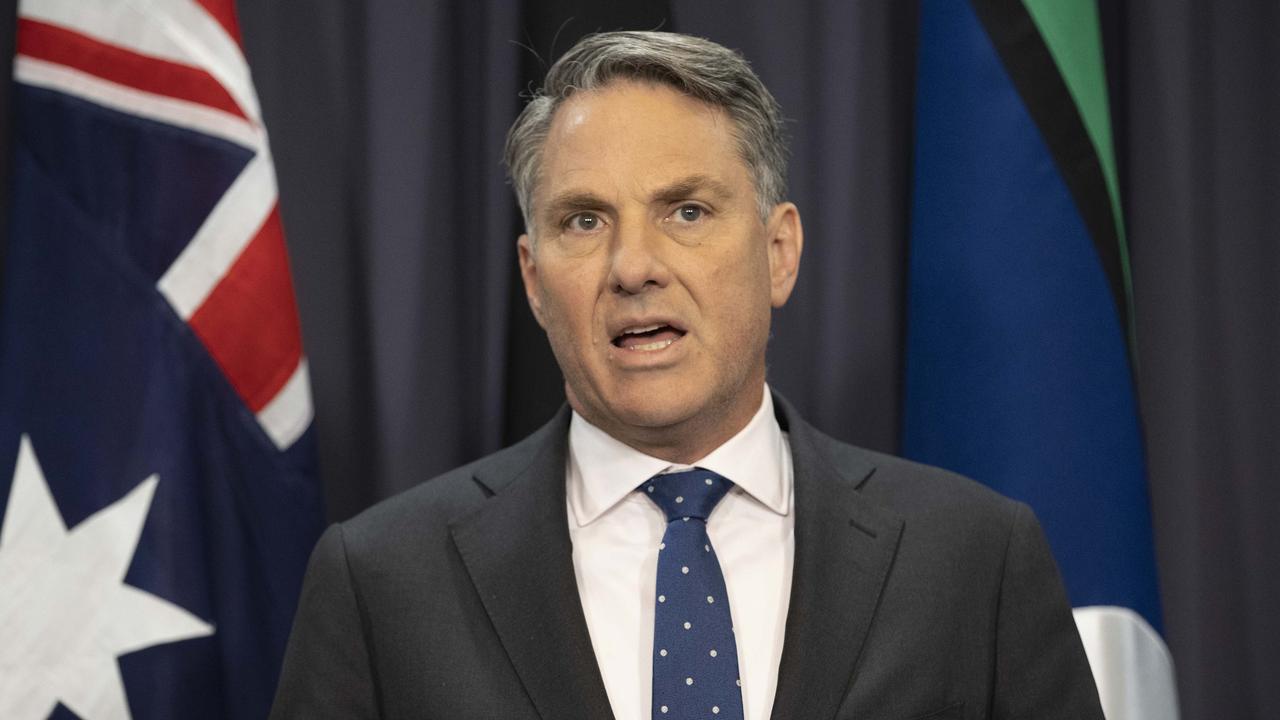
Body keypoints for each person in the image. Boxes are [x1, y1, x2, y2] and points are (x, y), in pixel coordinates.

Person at [270, 31, 1104, 720]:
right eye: (584, 220)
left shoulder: (974, 561)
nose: (633, 267)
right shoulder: (381, 583)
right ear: (532, 279)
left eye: (687, 211)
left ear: (779, 253)